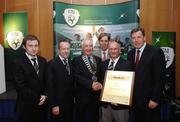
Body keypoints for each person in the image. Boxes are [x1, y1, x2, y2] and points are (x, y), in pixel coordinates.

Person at [127, 27, 166, 122]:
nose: (136, 40)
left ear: (144, 38)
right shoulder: (130, 54)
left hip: (150, 101)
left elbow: (160, 78)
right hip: (135, 101)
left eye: (139, 37)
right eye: (133, 38)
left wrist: (155, 99)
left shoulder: (156, 52)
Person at [13, 35, 48, 122]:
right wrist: (39, 98)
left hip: (42, 107)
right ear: (24, 47)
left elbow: (46, 81)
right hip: (26, 108)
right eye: (30, 46)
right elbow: (21, 87)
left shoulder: (43, 60)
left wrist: (45, 94)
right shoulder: (17, 62)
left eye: (36, 46)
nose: (34, 48)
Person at [101, 39, 132, 122]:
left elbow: (129, 86)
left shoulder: (127, 64)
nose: (113, 51)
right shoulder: (103, 64)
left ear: (119, 50)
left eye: (115, 49)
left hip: (120, 106)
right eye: (110, 49)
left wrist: (118, 99)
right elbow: (101, 82)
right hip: (105, 105)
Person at [73, 38, 102, 122]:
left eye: (90, 46)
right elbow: (77, 76)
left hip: (96, 97)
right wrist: (91, 84)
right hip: (82, 97)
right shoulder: (76, 60)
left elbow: (100, 75)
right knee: (81, 118)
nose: (88, 48)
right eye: (86, 46)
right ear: (82, 48)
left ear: (93, 47)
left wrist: (100, 85)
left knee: (94, 118)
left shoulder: (98, 60)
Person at [46, 40, 74, 122]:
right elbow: (50, 86)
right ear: (58, 50)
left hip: (70, 105)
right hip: (58, 106)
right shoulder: (51, 64)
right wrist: (54, 105)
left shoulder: (71, 63)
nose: (66, 51)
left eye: (68, 49)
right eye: (63, 49)